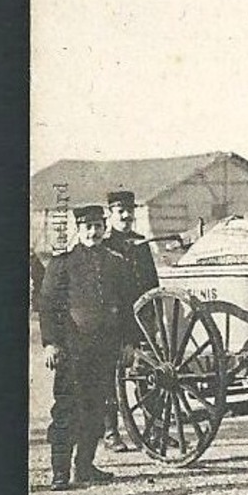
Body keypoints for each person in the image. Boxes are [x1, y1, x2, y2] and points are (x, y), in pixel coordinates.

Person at [38, 206, 138, 490]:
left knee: (97, 409)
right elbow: (48, 308)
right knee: (68, 409)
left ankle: (84, 467)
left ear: (105, 227)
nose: (93, 232)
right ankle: (60, 472)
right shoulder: (62, 264)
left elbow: (128, 307)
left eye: (97, 226)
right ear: (78, 230)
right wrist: (51, 344)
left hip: (104, 351)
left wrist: (130, 343)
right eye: (87, 227)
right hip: (72, 351)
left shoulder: (116, 263)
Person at [99, 190, 160, 452]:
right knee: (111, 377)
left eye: (129, 211)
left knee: (148, 374)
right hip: (113, 320)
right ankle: (111, 432)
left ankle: (154, 428)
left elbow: (152, 282)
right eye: (119, 211)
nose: (126, 216)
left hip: (141, 319)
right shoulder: (104, 246)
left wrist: (154, 318)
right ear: (110, 214)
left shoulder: (140, 243)